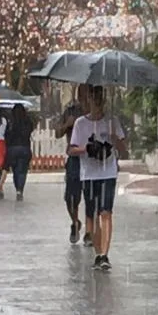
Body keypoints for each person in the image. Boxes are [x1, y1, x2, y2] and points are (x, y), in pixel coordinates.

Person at [69, 86, 127, 271]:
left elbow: (124, 149)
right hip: (89, 175)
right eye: (93, 98)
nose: (96, 101)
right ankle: (97, 251)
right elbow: (71, 150)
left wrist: (113, 138)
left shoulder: (112, 121)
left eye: (100, 98)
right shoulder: (80, 124)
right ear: (88, 100)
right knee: (92, 215)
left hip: (107, 173)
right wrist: (87, 149)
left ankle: (104, 255)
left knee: (106, 212)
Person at [55, 85, 91, 243]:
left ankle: (90, 231)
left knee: (92, 196)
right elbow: (57, 133)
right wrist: (67, 125)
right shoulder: (70, 110)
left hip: (91, 157)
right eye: (82, 93)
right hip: (75, 158)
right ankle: (75, 221)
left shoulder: (96, 113)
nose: (84, 96)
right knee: (71, 197)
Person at [5, 103, 34, 200]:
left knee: (15, 171)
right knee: (22, 171)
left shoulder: (11, 122)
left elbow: (7, 135)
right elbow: (30, 131)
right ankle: (20, 190)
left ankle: (17, 188)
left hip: (12, 149)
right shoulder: (27, 121)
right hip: (24, 148)